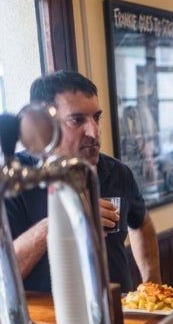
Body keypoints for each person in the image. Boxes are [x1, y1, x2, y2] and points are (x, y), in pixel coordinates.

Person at [6, 70, 161, 294]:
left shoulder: (117, 172)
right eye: (77, 120)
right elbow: (5, 274)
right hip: (49, 323)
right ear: (43, 125)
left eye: (96, 118)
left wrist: (152, 284)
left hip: (118, 315)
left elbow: (141, 223)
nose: (94, 131)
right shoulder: (14, 181)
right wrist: (64, 219)